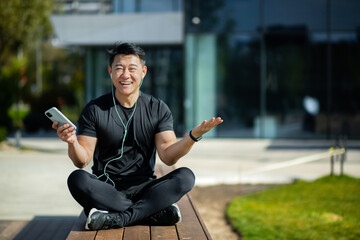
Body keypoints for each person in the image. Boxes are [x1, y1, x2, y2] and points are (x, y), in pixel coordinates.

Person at [52, 42, 223, 230]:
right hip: (107, 190)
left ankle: (118, 219)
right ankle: (152, 213)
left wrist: (192, 136)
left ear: (143, 72)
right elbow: (81, 160)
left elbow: (168, 156)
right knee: (77, 179)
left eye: (132, 69)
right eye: (119, 68)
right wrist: (72, 142)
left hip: (145, 189)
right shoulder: (94, 109)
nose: (125, 75)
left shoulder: (158, 108)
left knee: (185, 177)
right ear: (110, 71)